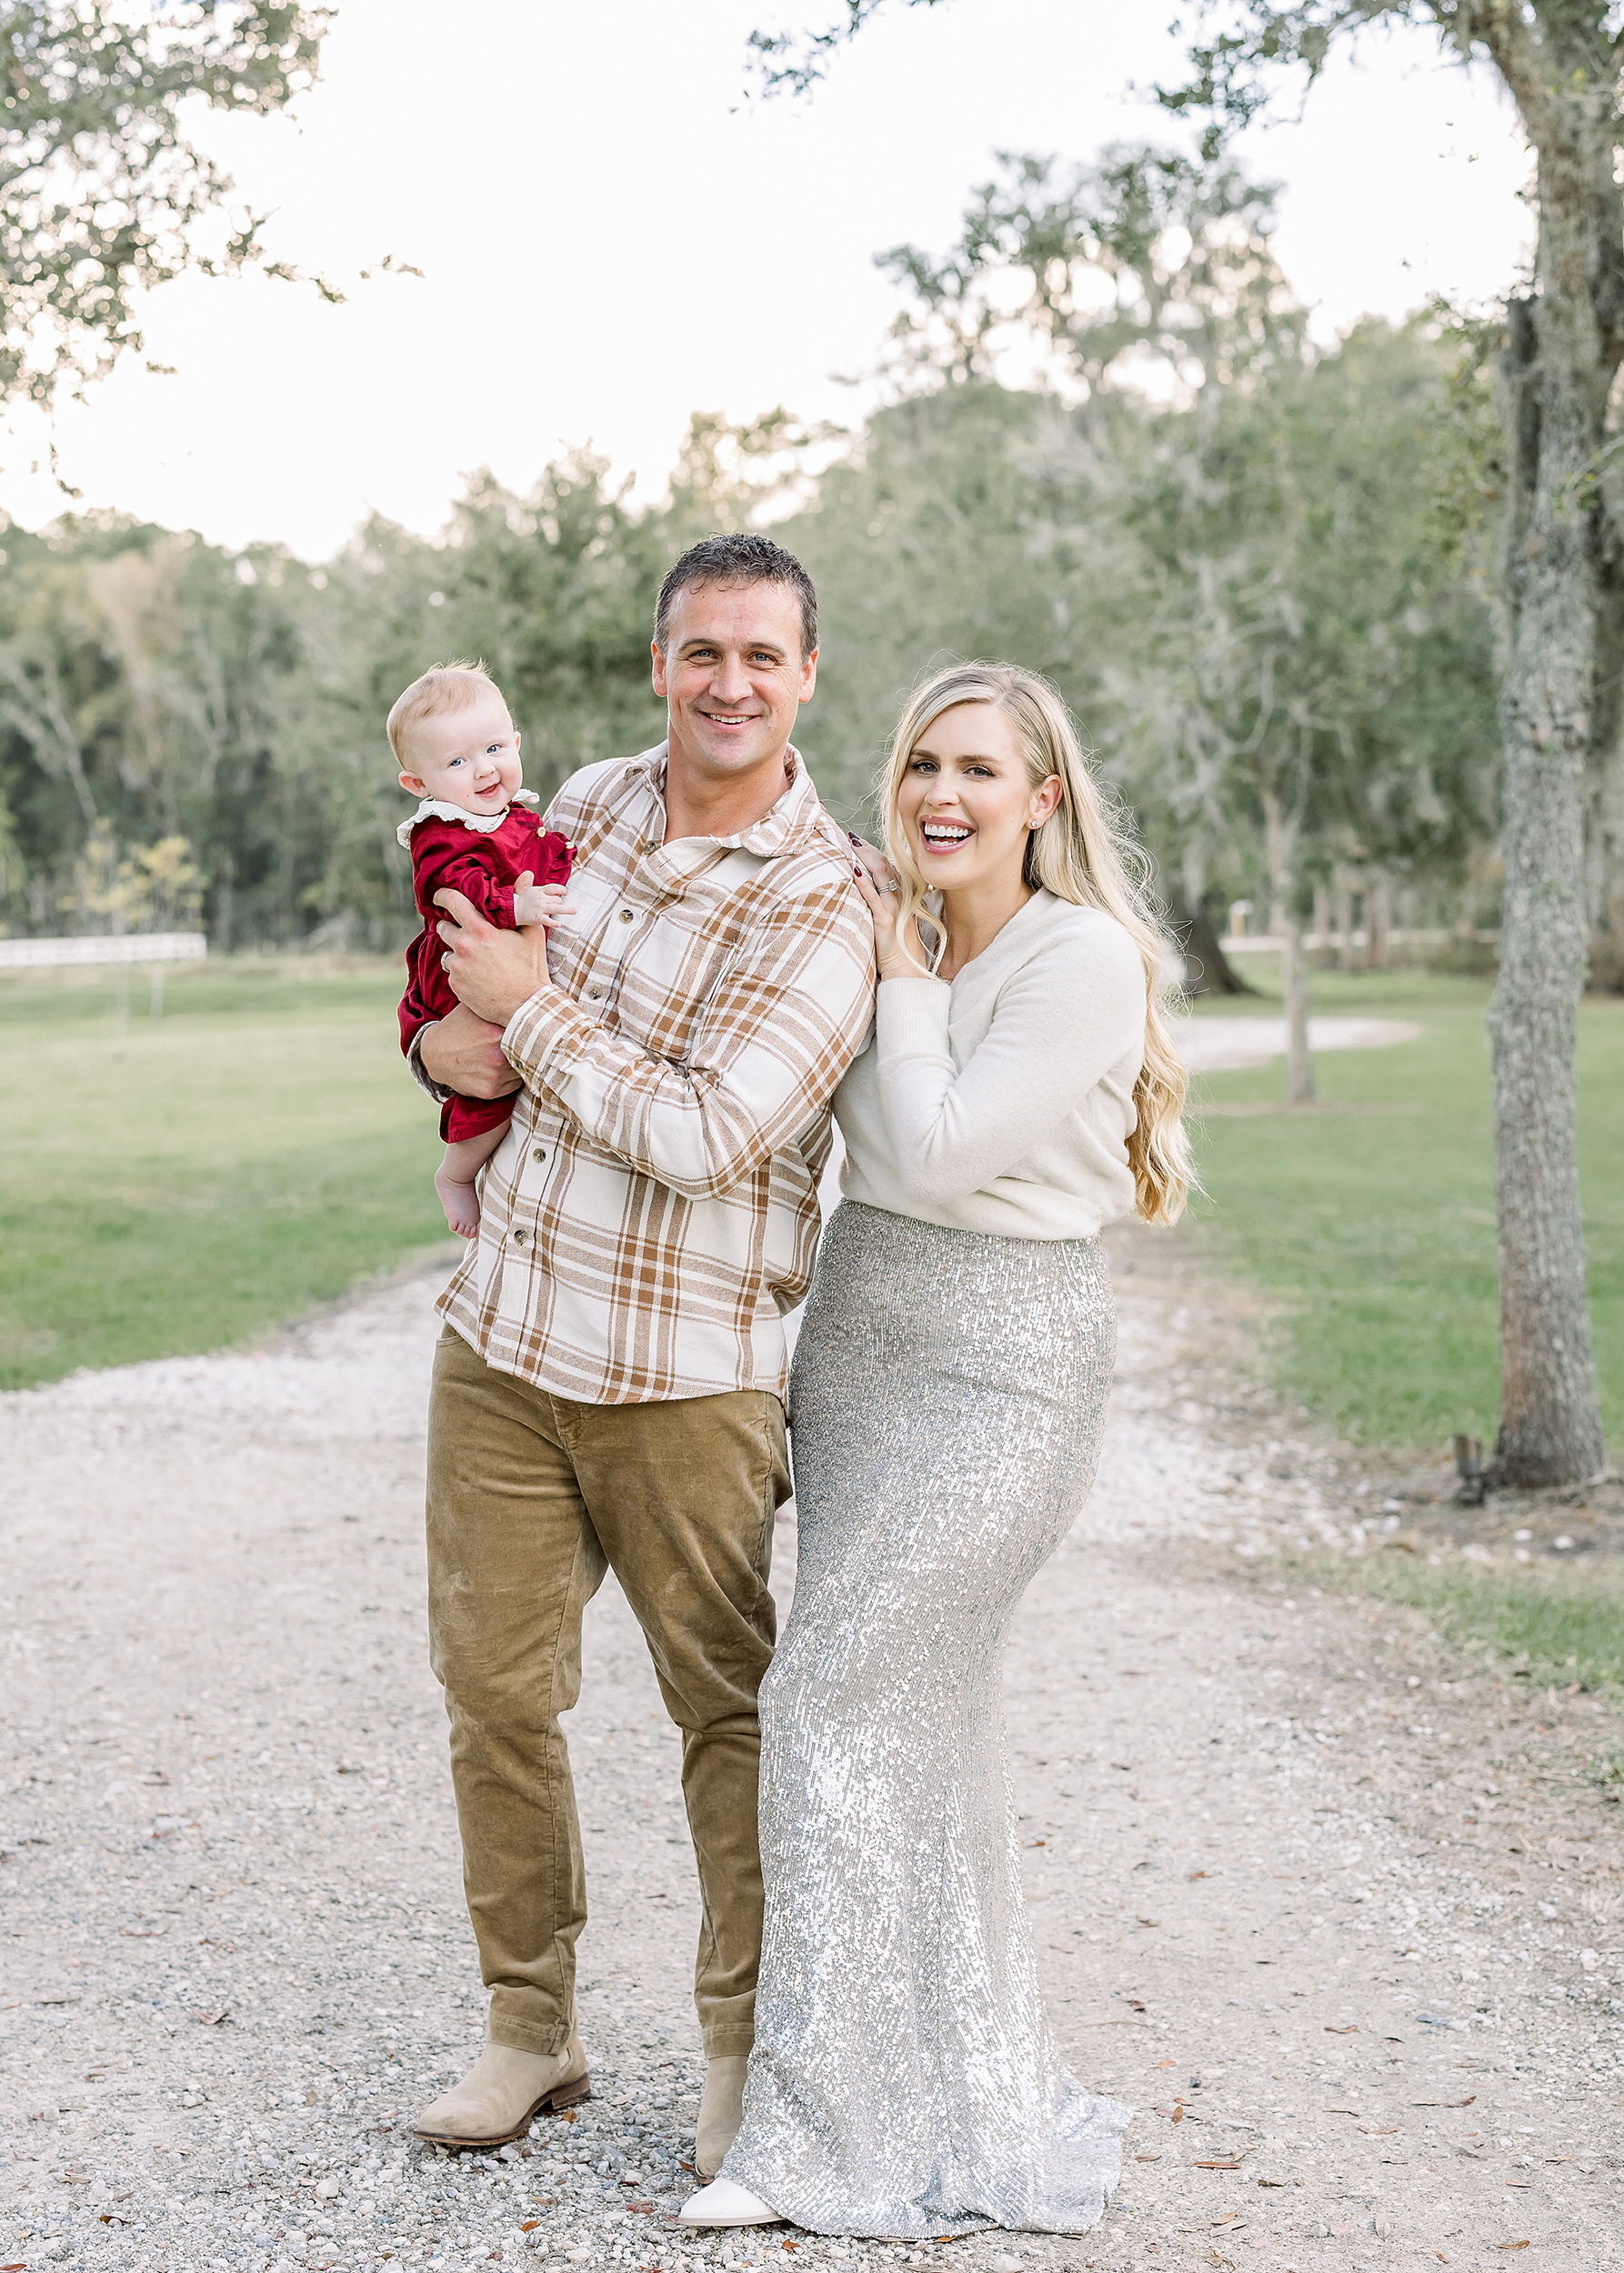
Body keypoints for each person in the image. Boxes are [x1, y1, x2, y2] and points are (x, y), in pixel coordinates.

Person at [680, 661, 1192, 2239]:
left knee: (827, 1690)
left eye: (978, 768)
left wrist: (905, 1007)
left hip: (1003, 1372)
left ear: (1045, 797)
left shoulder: (1080, 959)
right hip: (863, 1350)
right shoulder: (890, 936)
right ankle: (962, 2093)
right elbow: (853, 1144)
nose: (941, 796)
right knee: (920, 1736)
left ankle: (807, 2140)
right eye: (919, 765)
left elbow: (949, 1149)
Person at [404, 536, 876, 2173]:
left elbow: (709, 1130)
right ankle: (530, 2028)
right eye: (701, 654)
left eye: (761, 656)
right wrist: (443, 1045)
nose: (729, 684)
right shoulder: (582, 808)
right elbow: (459, 996)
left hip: (692, 1376)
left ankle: (747, 2053)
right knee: (495, 1703)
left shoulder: (835, 896)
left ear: (806, 675)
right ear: (657, 663)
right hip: (509, 1344)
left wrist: (531, 1017)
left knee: (726, 1718)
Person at [392, 662, 576, 1237]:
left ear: (516, 742)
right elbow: (451, 886)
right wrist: (515, 906)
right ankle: (457, 1172)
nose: (483, 768)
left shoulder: (517, 814)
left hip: (511, 959)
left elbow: (543, 857)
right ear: (418, 784)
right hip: (457, 975)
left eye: (495, 746)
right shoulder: (441, 832)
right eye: (455, 761)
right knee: (490, 1076)